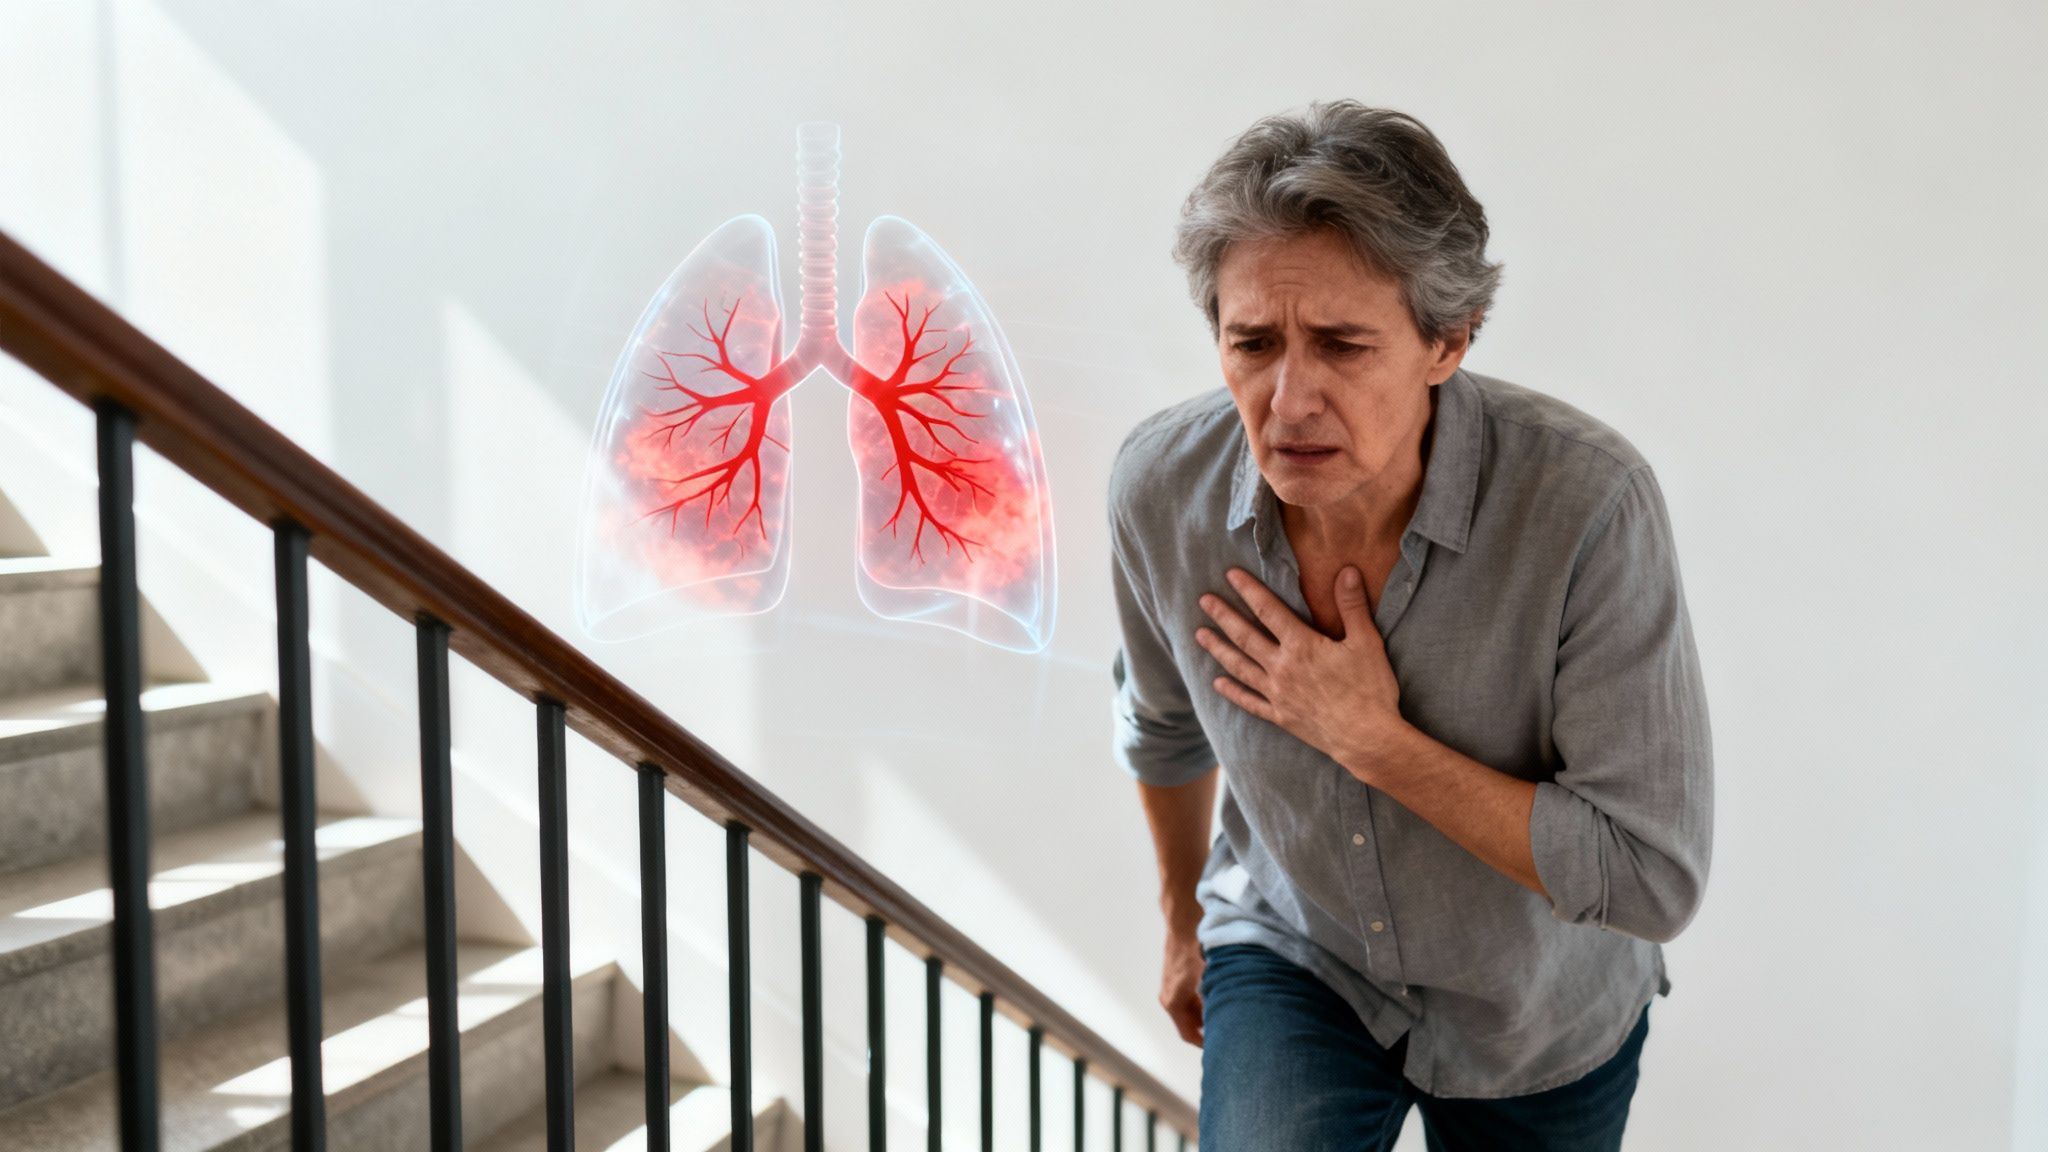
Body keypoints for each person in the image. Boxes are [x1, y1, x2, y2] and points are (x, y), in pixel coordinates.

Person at [1108, 99, 1714, 1151]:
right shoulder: (1160, 488)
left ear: (1448, 341)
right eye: (1251, 343)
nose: (1287, 400)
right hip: (1295, 957)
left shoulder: (1588, 507)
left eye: (1341, 346)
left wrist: (1370, 741)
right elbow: (1161, 726)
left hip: (1535, 1014)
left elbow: (1645, 874)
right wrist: (1177, 925)